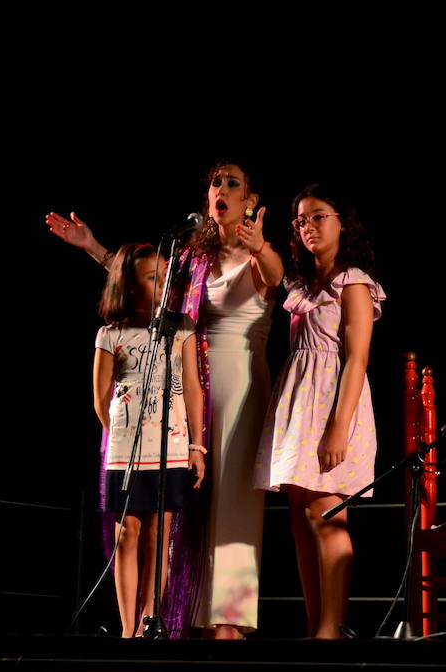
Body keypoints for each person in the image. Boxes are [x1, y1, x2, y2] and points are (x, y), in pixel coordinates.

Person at [48, 159, 283, 639]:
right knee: (185, 505)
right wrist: (93, 248)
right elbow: (145, 280)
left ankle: (230, 620)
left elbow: (276, 276)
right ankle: (181, 616)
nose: (220, 188)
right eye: (215, 182)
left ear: (250, 202)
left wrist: (260, 247)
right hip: (183, 381)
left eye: (232, 183)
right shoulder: (192, 259)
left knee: (233, 501)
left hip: (238, 379)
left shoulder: (258, 255)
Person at [254, 185, 384, 639]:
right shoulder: (302, 284)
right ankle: (315, 628)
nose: (308, 227)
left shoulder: (354, 282)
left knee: (326, 515)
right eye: (301, 221)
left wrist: (338, 427)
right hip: (297, 404)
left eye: (318, 217)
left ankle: (331, 631)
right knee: (299, 521)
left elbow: (358, 359)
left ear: (341, 222)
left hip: (333, 405)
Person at [92, 243, 206, 637]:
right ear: (129, 285)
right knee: (128, 534)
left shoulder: (182, 327)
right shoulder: (111, 334)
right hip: (127, 451)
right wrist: (122, 436)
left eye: (164, 276)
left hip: (172, 447)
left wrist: (196, 445)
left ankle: (149, 623)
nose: (161, 285)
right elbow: (100, 396)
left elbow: (192, 387)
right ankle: (127, 630)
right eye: (151, 277)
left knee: (160, 534)